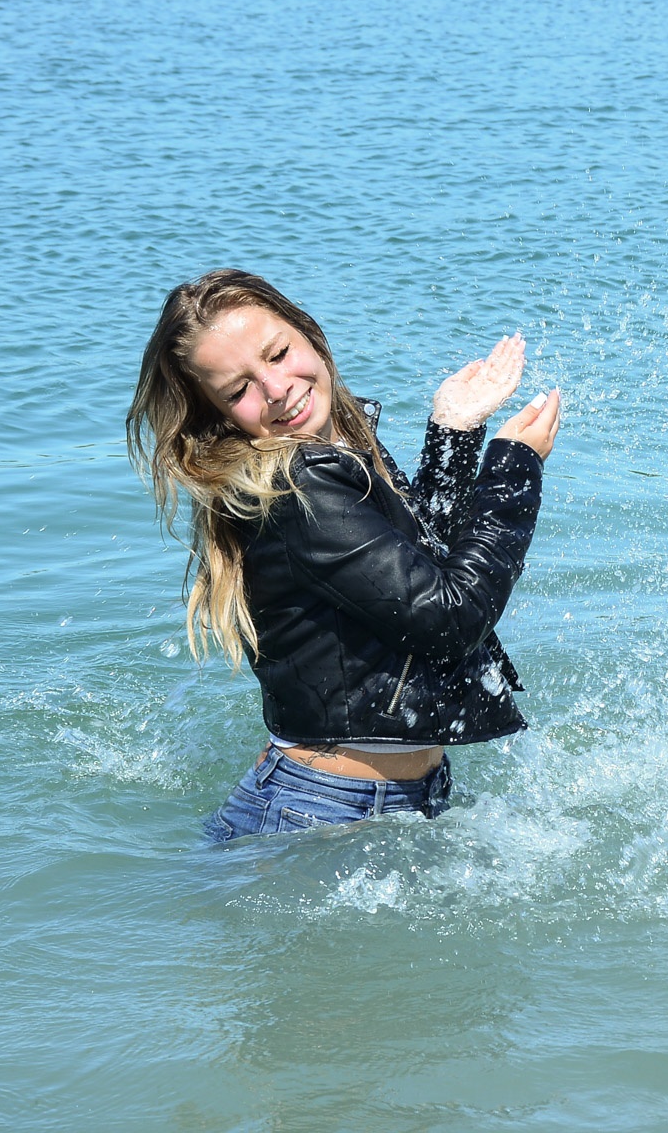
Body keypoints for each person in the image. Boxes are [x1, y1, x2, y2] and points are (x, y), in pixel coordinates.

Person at [127, 269, 562, 838]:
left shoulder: (334, 445)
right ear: (218, 416)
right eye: (238, 391)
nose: (276, 388)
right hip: (320, 810)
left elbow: (422, 570)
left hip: (378, 799)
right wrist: (512, 472)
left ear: (308, 332)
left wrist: (454, 433)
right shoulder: (293, 486)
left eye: (278, 354)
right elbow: (451, 619)